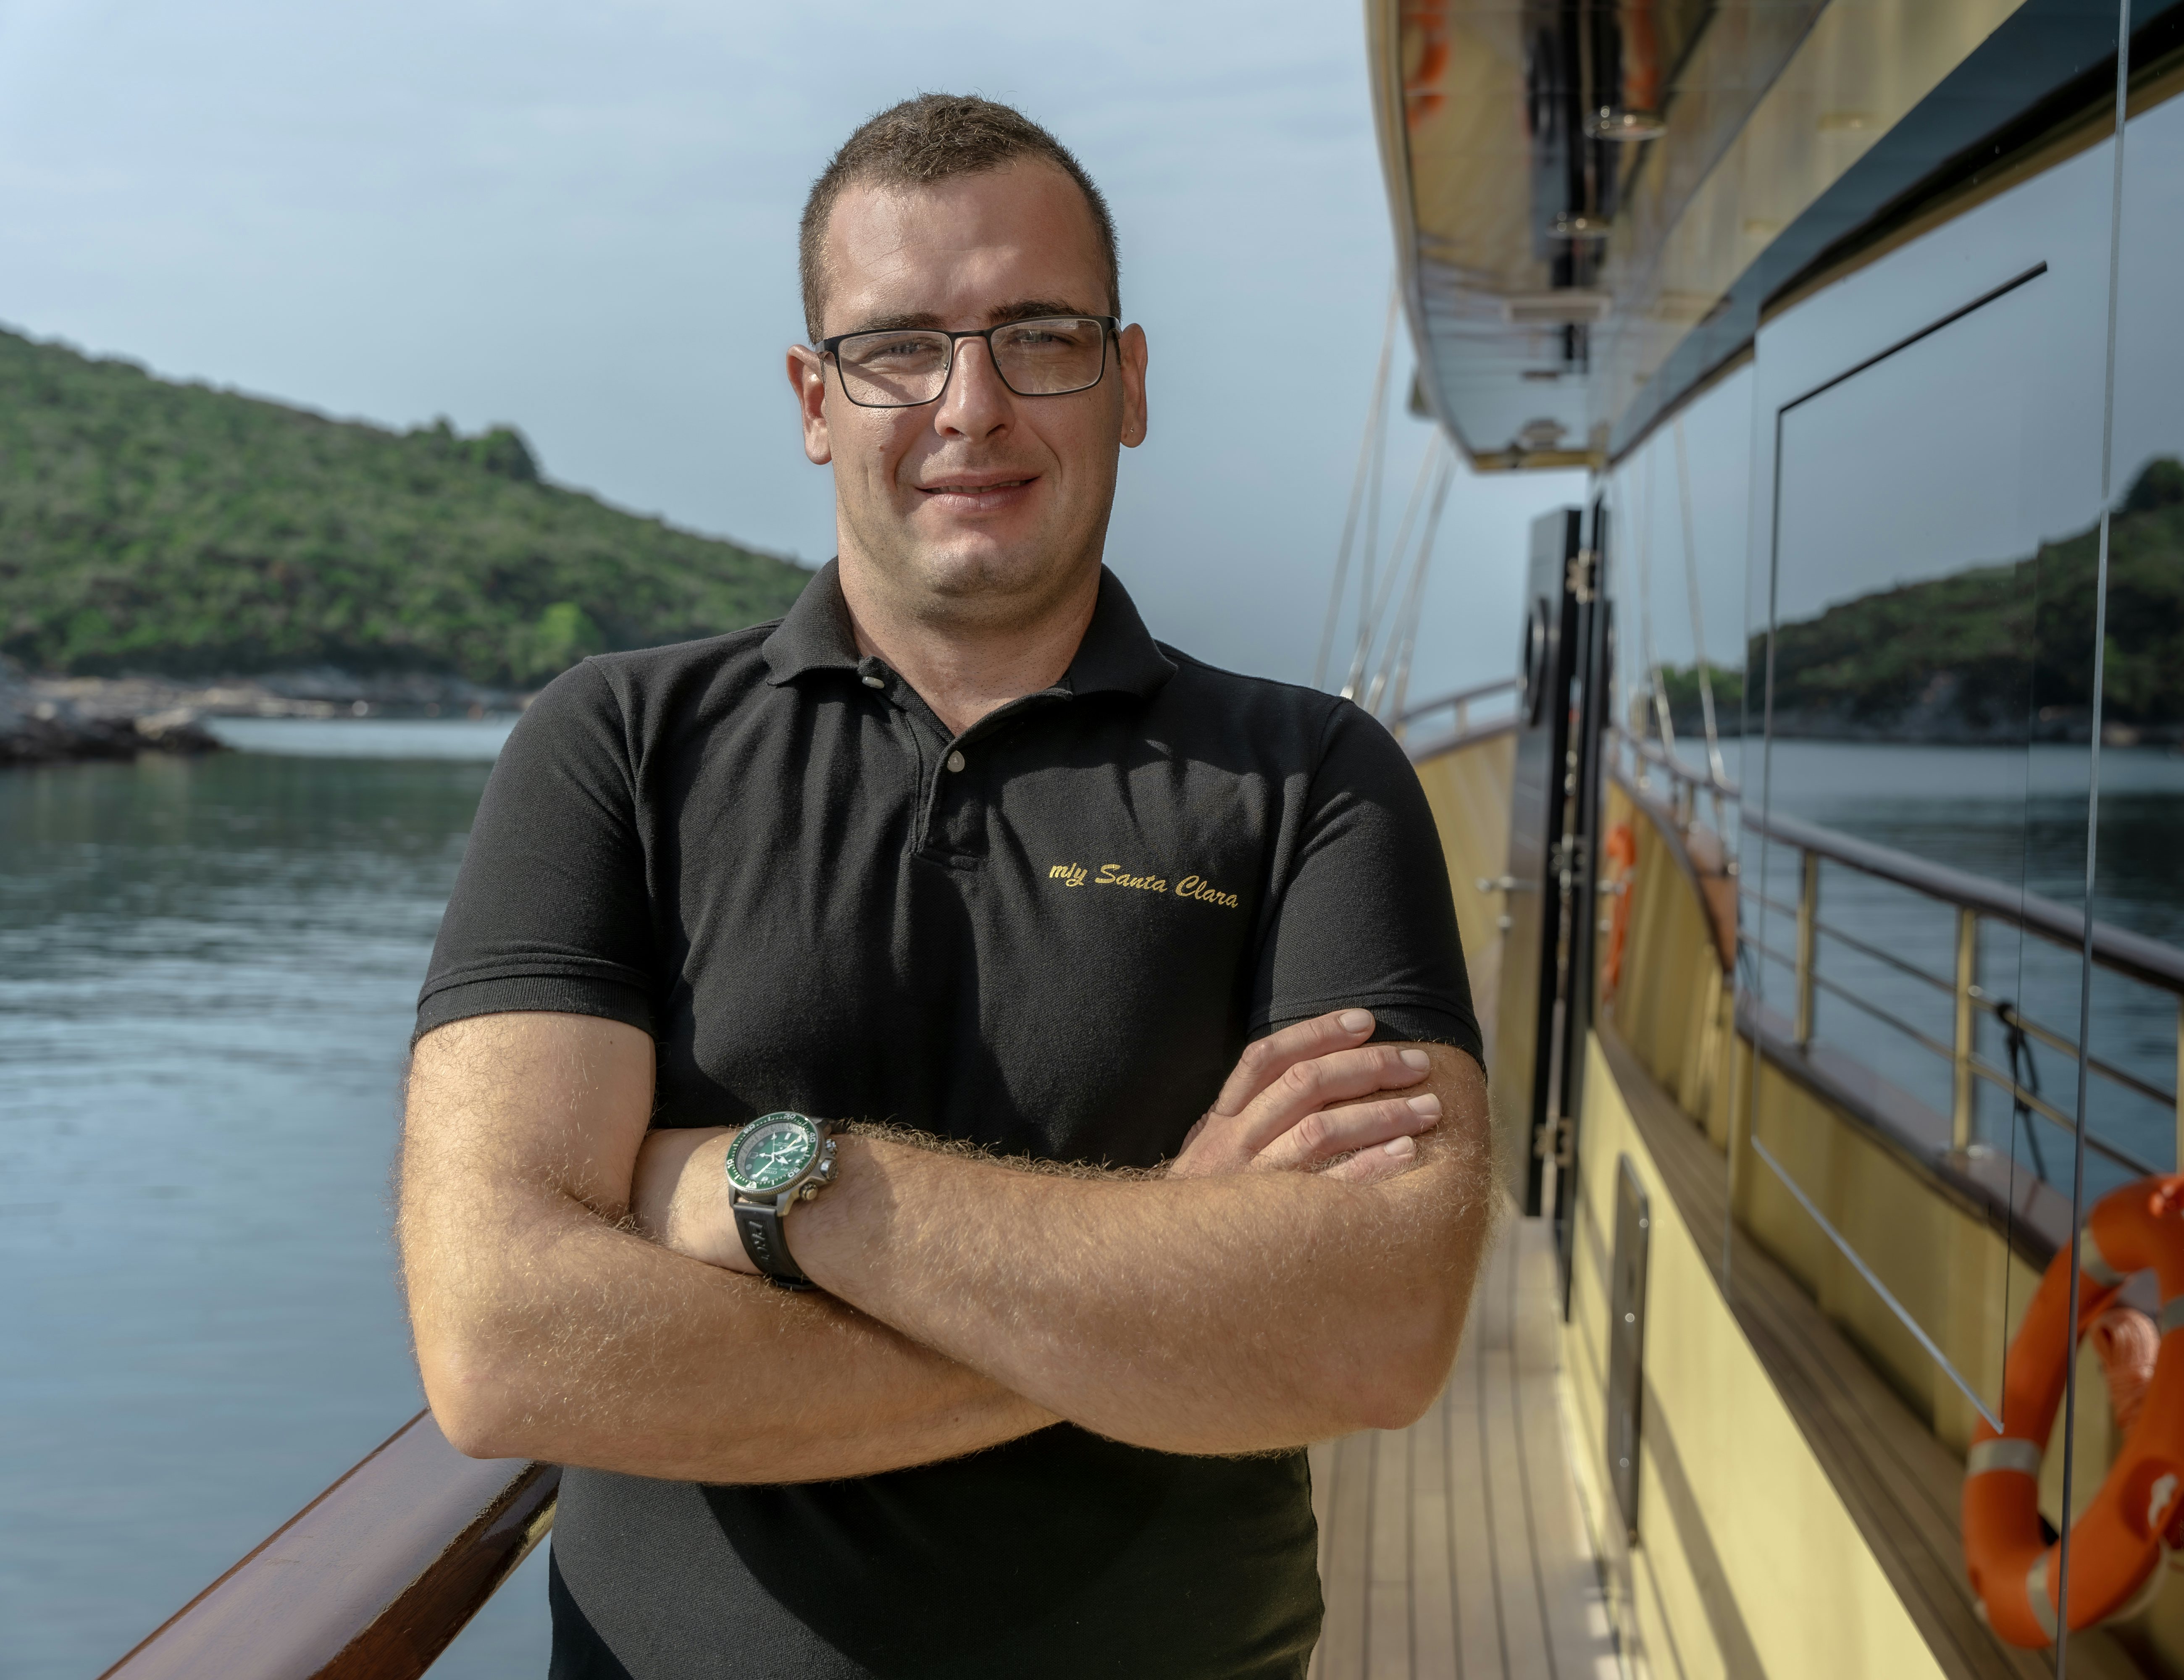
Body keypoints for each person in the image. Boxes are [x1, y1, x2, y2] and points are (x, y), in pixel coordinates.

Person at [396, 93, 1490, 1679]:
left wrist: (780, 1184)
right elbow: (499, 1343)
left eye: (1039, 335)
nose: (970, 406)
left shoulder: (1312, 781)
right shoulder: (616, 748)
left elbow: (1376, 1324)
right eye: (899, 346)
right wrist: (1165, 1280)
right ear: (814, 399)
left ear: (1127, 383)